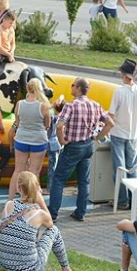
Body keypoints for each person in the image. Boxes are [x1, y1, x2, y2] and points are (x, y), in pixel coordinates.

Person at [48, 78, 114, 221]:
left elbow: (59, 126)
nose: (71, 88)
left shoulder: (71, 106)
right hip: (88, 145)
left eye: (72, 85)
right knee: (84, 181)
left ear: (78, 88)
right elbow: (110, 123)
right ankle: (80, 212)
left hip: (73, 146)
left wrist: (61, 140)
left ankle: (52, 213)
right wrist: (97, 137)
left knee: (58, 179)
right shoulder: (95, 105)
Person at [0, 171, 79, 271]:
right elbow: (50, 223)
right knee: (54, 230)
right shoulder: (39, 214)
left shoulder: (8, 205)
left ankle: (65, 269)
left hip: (3, 263)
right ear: (37, 188)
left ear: (18, 187)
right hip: (29, 269)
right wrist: (40, 201)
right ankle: (66, 269)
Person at [108, 59, 137, 210]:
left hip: (118, 133)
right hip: (133, 134)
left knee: (119, 168)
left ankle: (121, 200)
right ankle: (134, 200)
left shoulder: (119, 91)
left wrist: (103, 129)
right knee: (132, 168)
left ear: (124, 75)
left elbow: (111, 114)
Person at [7, 78, 51, 200]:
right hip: (38, 140)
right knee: (34, 172)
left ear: (27, 89)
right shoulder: (43, 106)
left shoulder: (19, 104)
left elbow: (17, 122)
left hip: (21, 138)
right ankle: (32, 200)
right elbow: (47, 125)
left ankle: (10, 199)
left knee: (18, 170)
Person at [46, 96, 66, 192]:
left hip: (52, 144)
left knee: (52, 167)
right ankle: (54, 187)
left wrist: (52, 105)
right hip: (59, 144)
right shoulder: (63, 118)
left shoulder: (53, 118)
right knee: (56, 165)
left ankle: (50, 188)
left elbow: (44, 111)